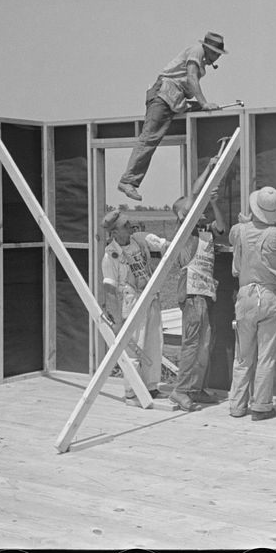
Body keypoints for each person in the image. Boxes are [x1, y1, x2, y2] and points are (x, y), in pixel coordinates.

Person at [143, 162, 227, 412]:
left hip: (205, 292)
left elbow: (221, 227)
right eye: (194, 209)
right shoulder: (186, 230)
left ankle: (195, 388)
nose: (199, 210)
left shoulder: (204, 230)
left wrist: (213, 203)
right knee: (192, 344)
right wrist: (210, 169)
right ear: (182, 215)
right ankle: (180, 391)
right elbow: (193, 197)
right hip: (192, 293)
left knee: (204, 343)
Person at [117, 31, 227, 201]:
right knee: (150, 137)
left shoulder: (201, 59)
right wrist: (204, 103)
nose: (217, 58)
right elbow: (191, 77)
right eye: (216, 53)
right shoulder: (197, 50)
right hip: (164, 96)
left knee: (200, 111)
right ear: (208, 48)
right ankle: (128, 181)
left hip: (175, 100)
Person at [226, 186, 276, 421]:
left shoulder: (238, 230)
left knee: (243, 356)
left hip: (245, 295)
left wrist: (246, 222)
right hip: (268, 295)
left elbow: (235, 235)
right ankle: (260, 406)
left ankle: (237, 406)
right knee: (266, 357)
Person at [100, 210, 164, 406]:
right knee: (134, 349)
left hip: (149, 296)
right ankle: (131, 391)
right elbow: (110, 289)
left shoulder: (137, 241)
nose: (131, 227)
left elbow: (156, 246)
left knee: (154, 343)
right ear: (115, 232)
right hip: (130, 300)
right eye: (126, 225)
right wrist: (117, 319)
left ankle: (151, 386)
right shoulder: (111, 254)